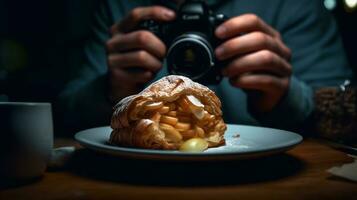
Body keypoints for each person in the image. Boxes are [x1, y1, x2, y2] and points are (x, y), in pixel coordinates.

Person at [56, 0, 354, 134]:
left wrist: (284, 95)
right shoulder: (120, 7)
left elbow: (345, 115)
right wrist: (111, 90)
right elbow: (65, 114)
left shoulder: (294, 5)